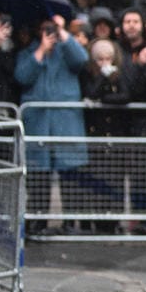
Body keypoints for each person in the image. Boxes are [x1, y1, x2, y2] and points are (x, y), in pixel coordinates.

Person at [16, 16, 91, 234]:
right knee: (39, 175)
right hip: (38, 123)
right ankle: (37, 222)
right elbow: (22, 76)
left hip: (65, 123)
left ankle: (70, 222)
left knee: (70, 174)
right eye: (45, 29)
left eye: (52, 28)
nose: (49, 32)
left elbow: (82, 59)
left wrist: (63, 33)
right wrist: (41, 50)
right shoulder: (29, 52)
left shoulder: (67, 51)